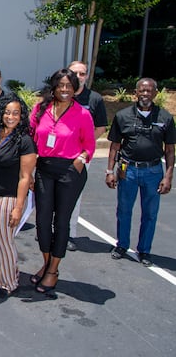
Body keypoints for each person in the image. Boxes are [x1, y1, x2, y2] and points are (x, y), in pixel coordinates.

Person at [29, 69, 95, 295]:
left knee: (62, 221)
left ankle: (53, 270)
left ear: (75, 88)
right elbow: (30, 136)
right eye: (60, 85)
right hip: (44, 169)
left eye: (69, 85)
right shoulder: (41, 110)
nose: (64, 89)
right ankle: (47, 264)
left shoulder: (82, 114)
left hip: (69, 171)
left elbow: (90, 145)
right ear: (54, 87)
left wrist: (80, 160)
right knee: (42, 220)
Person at [106, 78, 175, 267]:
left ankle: (144, 250)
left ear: (155, 93)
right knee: (124, 210)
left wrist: (168, 176)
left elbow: (169, 150)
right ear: (135, 93)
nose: (145, 94)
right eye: (142, 91)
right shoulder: (123, 116)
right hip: (127, 170)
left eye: (149, 91)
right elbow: (114, 146)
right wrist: (110, 170)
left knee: (150, 213)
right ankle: (122, 245)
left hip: (153, 171)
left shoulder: (165, 118)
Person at [0, 95, 36, 298]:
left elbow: (25, 177)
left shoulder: (25, 141)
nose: (10, 117)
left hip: (9, 195)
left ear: (21, 116)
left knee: (4, 238)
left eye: (15, 113)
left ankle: (8, 283)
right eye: (7, 112)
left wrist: (18, 207)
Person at [65, 61, 108, 251]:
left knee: (74, 196)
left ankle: (69, 234)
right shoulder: (60, 94)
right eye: (75, 73)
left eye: (83, 74)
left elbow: (100, 127)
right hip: (58, 155)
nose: (79, 76)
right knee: (51, 194)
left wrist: (84, 146)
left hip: (81, 156)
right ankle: (52, 230)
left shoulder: (95, 99)